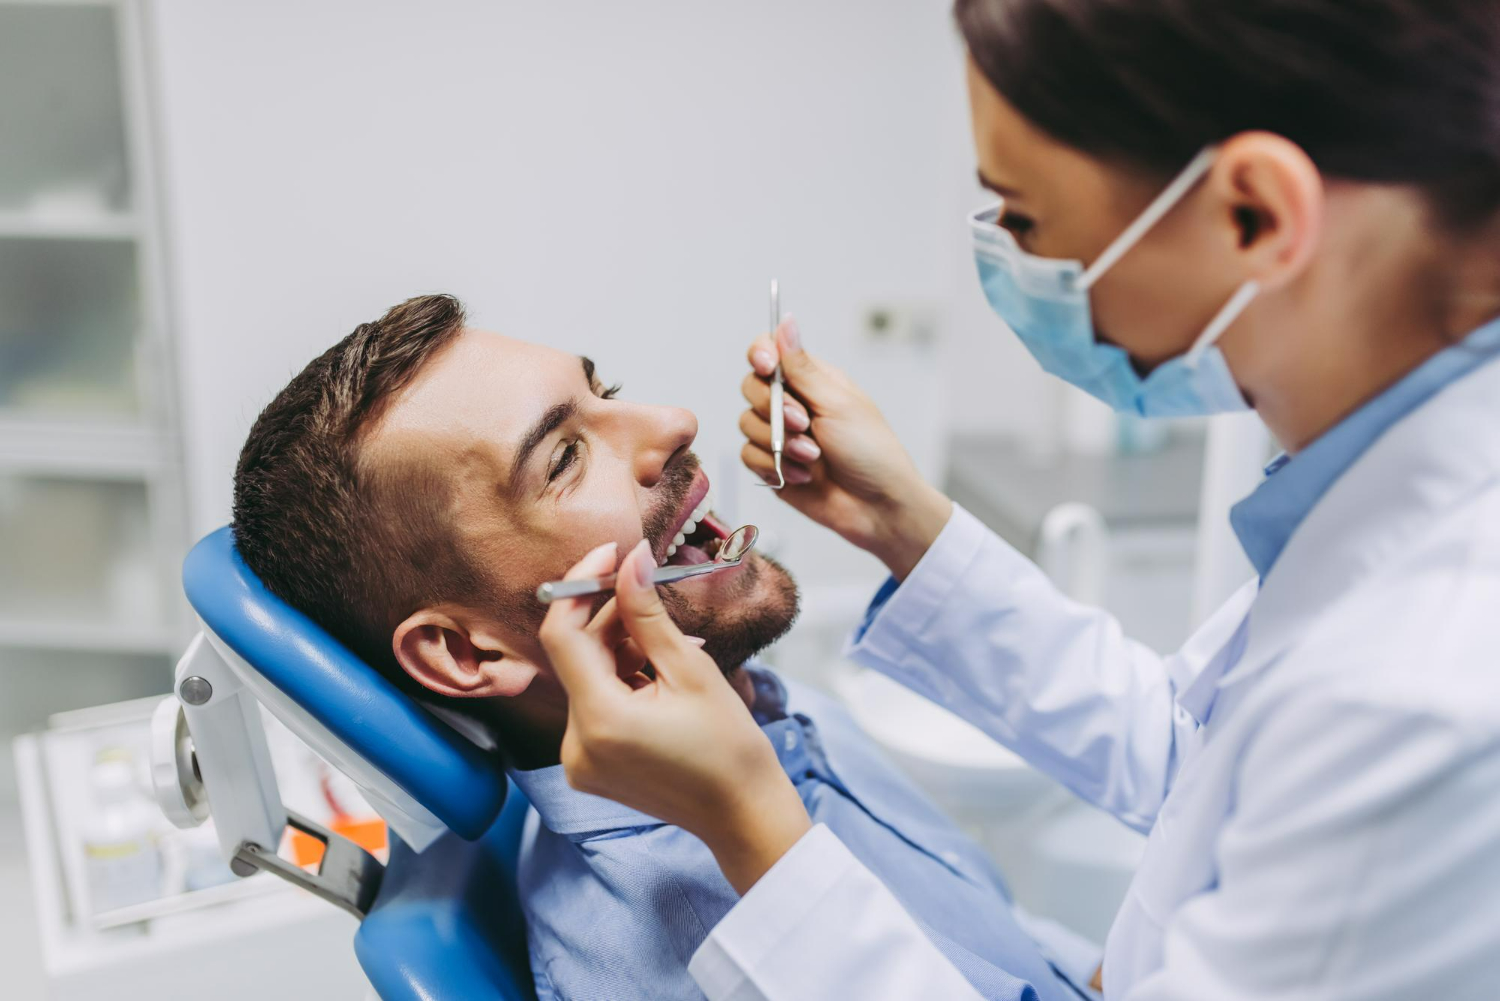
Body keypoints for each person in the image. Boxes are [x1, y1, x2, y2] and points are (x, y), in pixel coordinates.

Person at [536, 2, 1500, 998]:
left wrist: (751, 822)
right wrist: (905, 524)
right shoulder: (1393, 534)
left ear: (1253, 213)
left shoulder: (1424, 683)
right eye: (562, 452)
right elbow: (1206, 764)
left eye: (1026, 219)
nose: (675, 422)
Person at [230, 294, 1079, 1001]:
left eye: (608, 390)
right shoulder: (633, 965)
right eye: (565, 456)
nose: (676, 423)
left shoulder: (759, 704)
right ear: (467, 653)